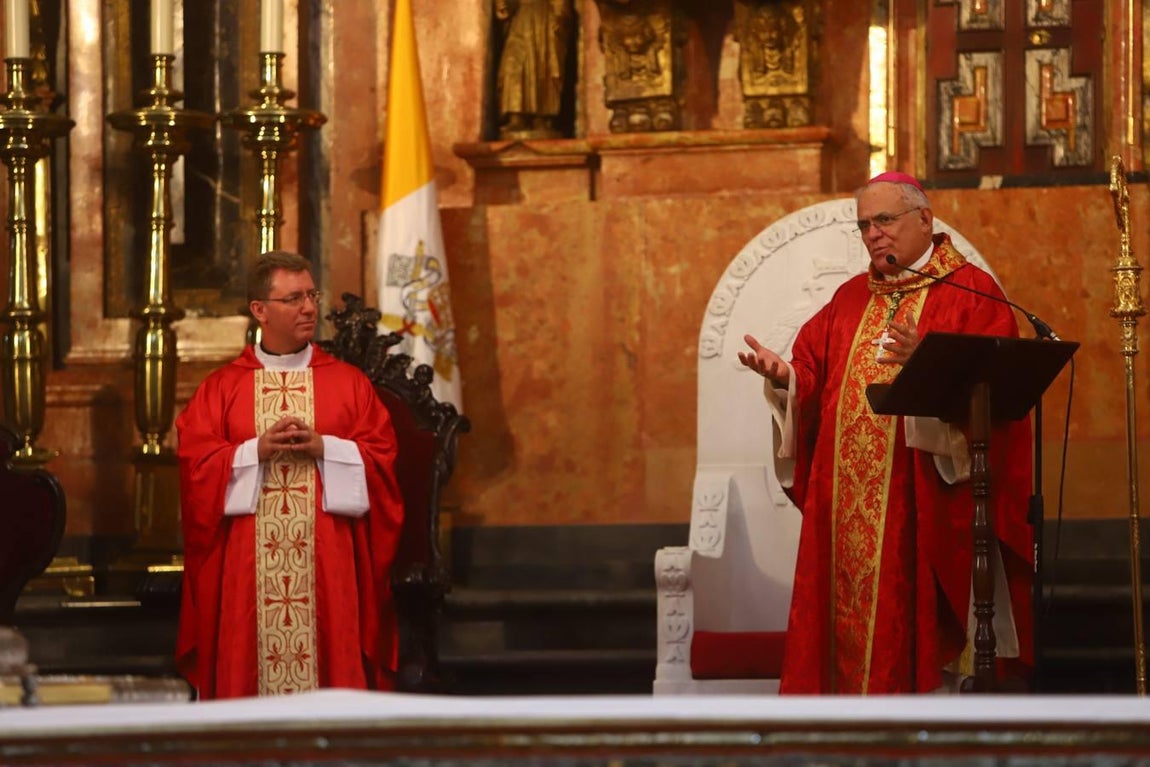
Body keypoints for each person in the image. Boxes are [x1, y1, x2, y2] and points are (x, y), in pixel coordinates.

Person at [738, 172, 1033, 694]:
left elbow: (996, 397)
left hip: (917, 499)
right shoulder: (850, 297)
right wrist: (785, 377)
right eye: (864, 225)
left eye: (884, 220)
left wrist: (932, 364)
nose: (873, 234)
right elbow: (811, 368)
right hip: (845, 503)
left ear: (925, 219)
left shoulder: (970, 291)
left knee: (908, 617)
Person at [175, 251, 404, 699]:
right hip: (246, 568)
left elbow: (384, 460)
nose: (309, 308)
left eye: (311, 295)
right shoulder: (222, 389)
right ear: (259, 310)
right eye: (294, 298)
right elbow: (195, 467)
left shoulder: (349, 385)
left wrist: (326, 448)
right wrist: (251, 452)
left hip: (329, 563)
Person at [495, 0, 575, 137]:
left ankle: (542, 116)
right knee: (514, 65)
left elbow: (561, 6)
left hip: (544, 19)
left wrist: (559, 15)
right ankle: (516, 114)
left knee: (543, 66)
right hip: (520, 19)